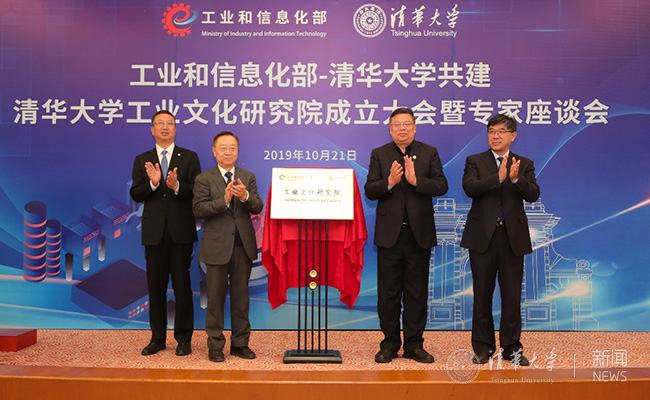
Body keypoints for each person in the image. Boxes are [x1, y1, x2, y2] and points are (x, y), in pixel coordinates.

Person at [364, 107, 448, 363]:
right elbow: (370, 190)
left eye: (407, 124)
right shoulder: (380, 154)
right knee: (388, 294)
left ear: (415, 128)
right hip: (389, 235)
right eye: (397, 124)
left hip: (418, 235)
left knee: (416, 293)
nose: (402, 128)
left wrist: (415, 181)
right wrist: (389, 182)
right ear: (390, 129)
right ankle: (389, 344)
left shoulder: (429, 152)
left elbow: (441, 185)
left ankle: (414, 344)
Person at [460, 113, 540, 367]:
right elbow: (470, 188)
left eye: (501, 131)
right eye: (491, 131)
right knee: (482, 295)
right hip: (482, 237)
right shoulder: (475, 161)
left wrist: (515, 178)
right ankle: (482, 348)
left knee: (512, 296)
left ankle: (512, 348)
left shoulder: (524, 163)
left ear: (512, 135)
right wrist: (499, 178)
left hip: (512, 238)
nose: (495, 136)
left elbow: (533, 194)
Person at [130, 110, 201, 356]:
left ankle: (184, 339)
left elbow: (197, 191)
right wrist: (153, 183)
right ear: (152, 129)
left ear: (175, 128)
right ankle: (157, 338)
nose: (164, 127)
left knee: (182, 287)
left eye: (169, 123)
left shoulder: (189, 157)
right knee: (156, 288)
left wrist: (176, 185)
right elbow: (136, 194)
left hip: (181, 231)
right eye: (159, 123)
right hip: (154, 233)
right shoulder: (143, 159)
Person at [192, 132, 263, 363]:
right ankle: (215, 345)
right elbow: (198, 210)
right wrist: (223, 201)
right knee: (215, 300)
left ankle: (240, 344)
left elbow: (257, 206)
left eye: (232, 148)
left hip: (243, 246)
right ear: (214, 151)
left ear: (238, 151)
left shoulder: (247, 177)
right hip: (216, 247)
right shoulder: (204, 179)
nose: (228, 152)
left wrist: (245, 196)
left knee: (241, 300)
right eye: (223, 148)